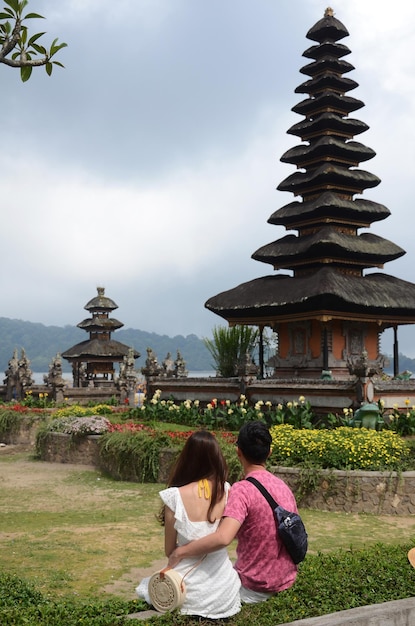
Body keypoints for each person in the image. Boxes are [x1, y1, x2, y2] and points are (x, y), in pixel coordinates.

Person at [168, 421, 298, 604]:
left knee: (197, 594)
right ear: (269, 452)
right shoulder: (284, 487)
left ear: (239, 452)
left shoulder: (242, 490)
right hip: (286, 581)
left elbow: (223, 538)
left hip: (253, 588)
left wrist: (180, 552)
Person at [135, 430, 241, 619]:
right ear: (217, 457)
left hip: (187, 592)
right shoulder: (226, 490)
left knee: (146, 586)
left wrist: (182, 551)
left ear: (188, 458)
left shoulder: (175, 497)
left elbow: (170, 551)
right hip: (224, 591)